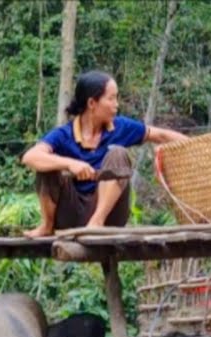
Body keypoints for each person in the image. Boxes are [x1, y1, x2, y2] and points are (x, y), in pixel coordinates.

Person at [21, 70, 188, 237]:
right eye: (111, 98)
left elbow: (160, 135)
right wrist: (70, 164)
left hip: (110, 217)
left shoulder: (120, 127)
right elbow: (30, 157)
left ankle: (97, 221)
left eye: (117, 97)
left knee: (118, 153)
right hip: (72, 216)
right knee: (46, 165)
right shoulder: (64, 134)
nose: (117, 104)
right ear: (92, 103)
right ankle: (47, 226)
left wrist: (198, 147)